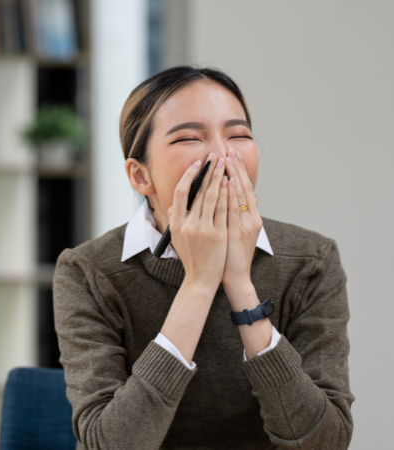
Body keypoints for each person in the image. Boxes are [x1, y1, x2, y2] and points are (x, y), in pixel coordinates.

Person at [53, 66, 354, 449]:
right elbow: (108, 443)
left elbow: (323, 442)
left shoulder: (312, 260)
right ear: (140, 176)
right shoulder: (87, 271)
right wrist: (198, 282)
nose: (224, 153)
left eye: (239, 134)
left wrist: (241, 285)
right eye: (190, 138)